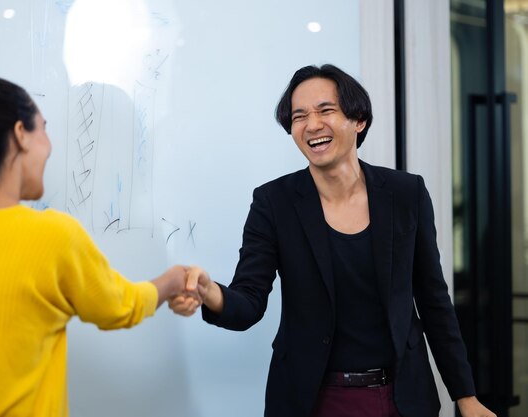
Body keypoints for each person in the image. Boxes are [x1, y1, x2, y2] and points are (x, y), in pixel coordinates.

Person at [170, 64, 495, 417]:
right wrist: (209, 292)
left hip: (402, 397)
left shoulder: (406, 194)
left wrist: (466, 396)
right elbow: (248, 301)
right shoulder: (274, 203)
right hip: (312, 398)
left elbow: (434, 302)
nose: (312, 125)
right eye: (299, 116)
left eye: (326, 110)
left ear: (359, 120)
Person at [0, 74, 200, 417]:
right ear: (19, 135)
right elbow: (121, 305)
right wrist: (174, 280)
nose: (51, 145)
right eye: (43, 128)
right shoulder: (52, 236)